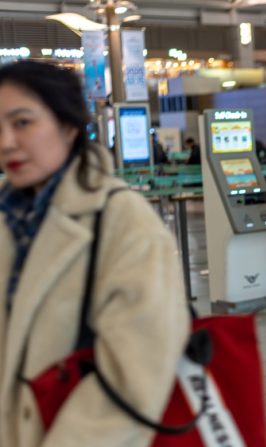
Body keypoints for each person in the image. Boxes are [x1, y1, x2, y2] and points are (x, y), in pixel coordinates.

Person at [0, 61, 189, 446]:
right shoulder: (8, 218)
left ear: (68, 127)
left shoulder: (122, 221)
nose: (5, 142)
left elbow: (135, 376)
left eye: (22, 123)